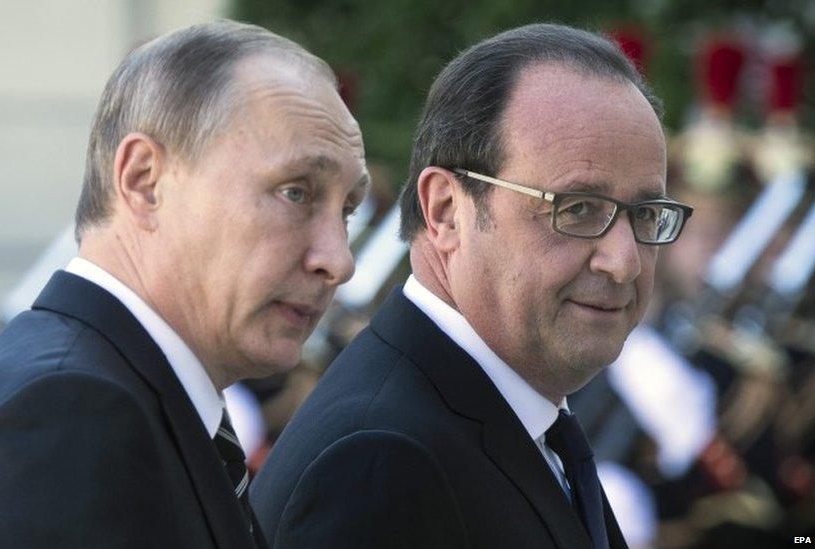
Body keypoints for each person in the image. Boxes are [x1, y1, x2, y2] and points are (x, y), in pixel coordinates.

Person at [0, 20, 368, 548]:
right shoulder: (70, 415)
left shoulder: (106, 393)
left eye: (349, 209)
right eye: (296, 192)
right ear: (144, 181)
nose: (338, 261)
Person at [252, 23, 693, 548]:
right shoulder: (380, 461)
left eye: (646, 214)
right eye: (577, 208)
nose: (624, 262)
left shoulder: (509, 416)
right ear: (446, 212)